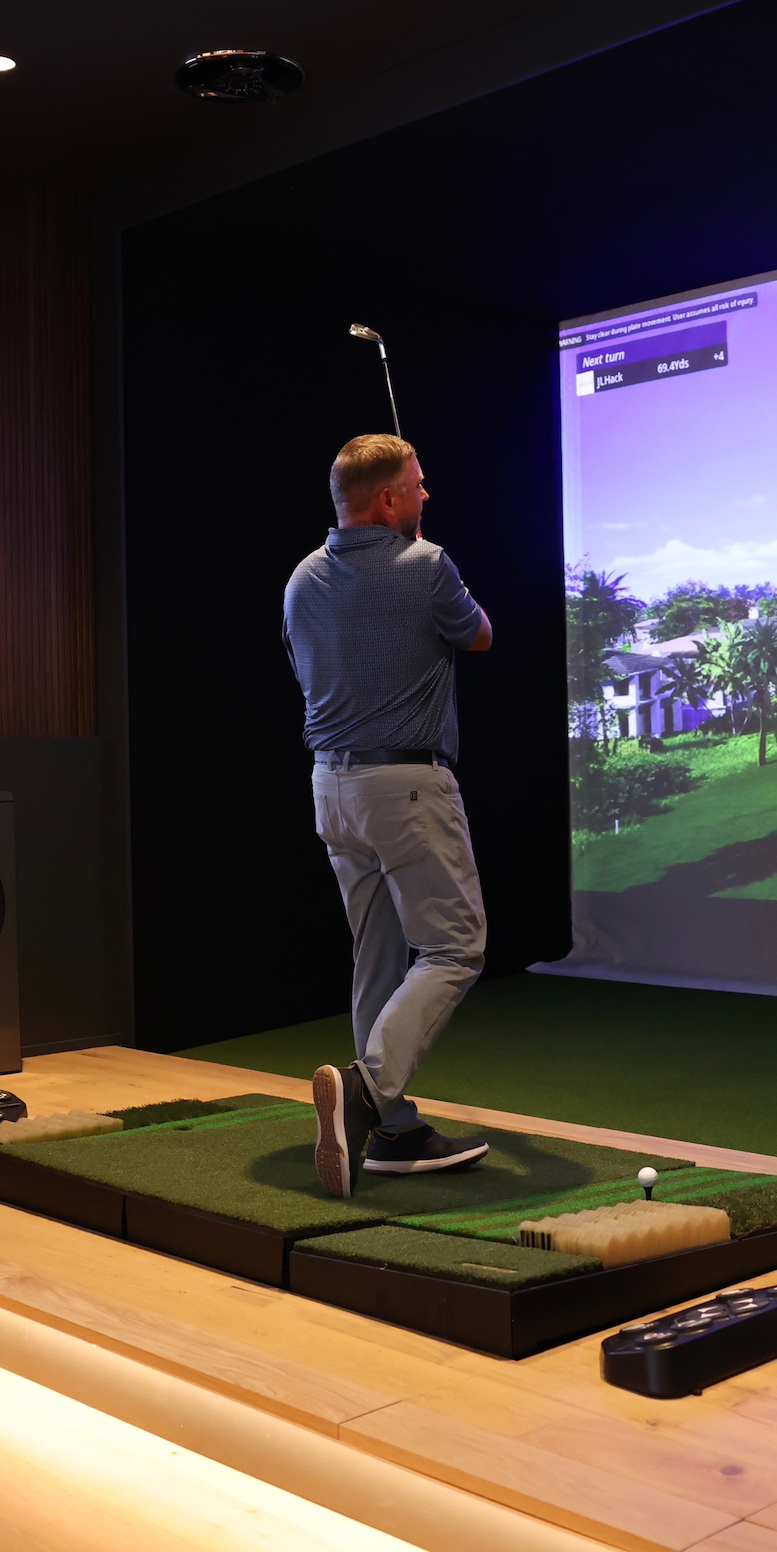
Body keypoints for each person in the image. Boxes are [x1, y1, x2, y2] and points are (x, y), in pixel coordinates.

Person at [283, 432, 494, 1198]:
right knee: (454, 947)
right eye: (417, 484)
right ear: (386, 501)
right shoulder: (427, 564)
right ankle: (369, 1093)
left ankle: (396, 1129)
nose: (426, 493)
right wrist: (436, 573)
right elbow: (479, 635)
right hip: (405, 784)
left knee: (375, 952)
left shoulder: (301, 579)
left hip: (330, 789)